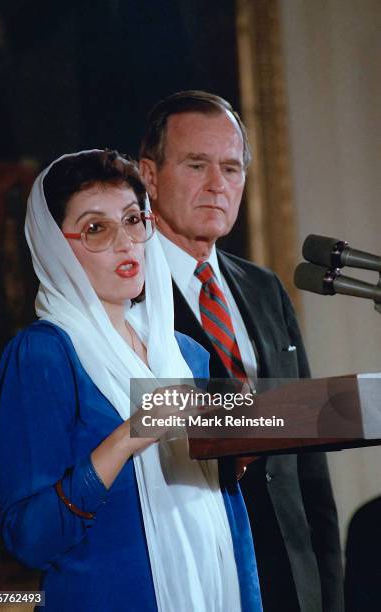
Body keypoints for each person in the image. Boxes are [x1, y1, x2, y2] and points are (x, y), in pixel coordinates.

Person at [0, 148, 263, 611]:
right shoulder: (43, 354)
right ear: (56, 246)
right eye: (96, 228)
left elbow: (225, 514)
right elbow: (29, 538)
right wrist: (124, 439)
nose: (125, 243)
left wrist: (232, 458)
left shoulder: (185, 354)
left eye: (134, 219)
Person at [139, 91, 344, 612]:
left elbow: (309, 460)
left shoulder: (264, 288)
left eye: (231, 168)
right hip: (201, 573)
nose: (217, 185)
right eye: (196, 165)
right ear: (150, 175)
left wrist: (328, 585)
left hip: (293, 576)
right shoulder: (129, 292)